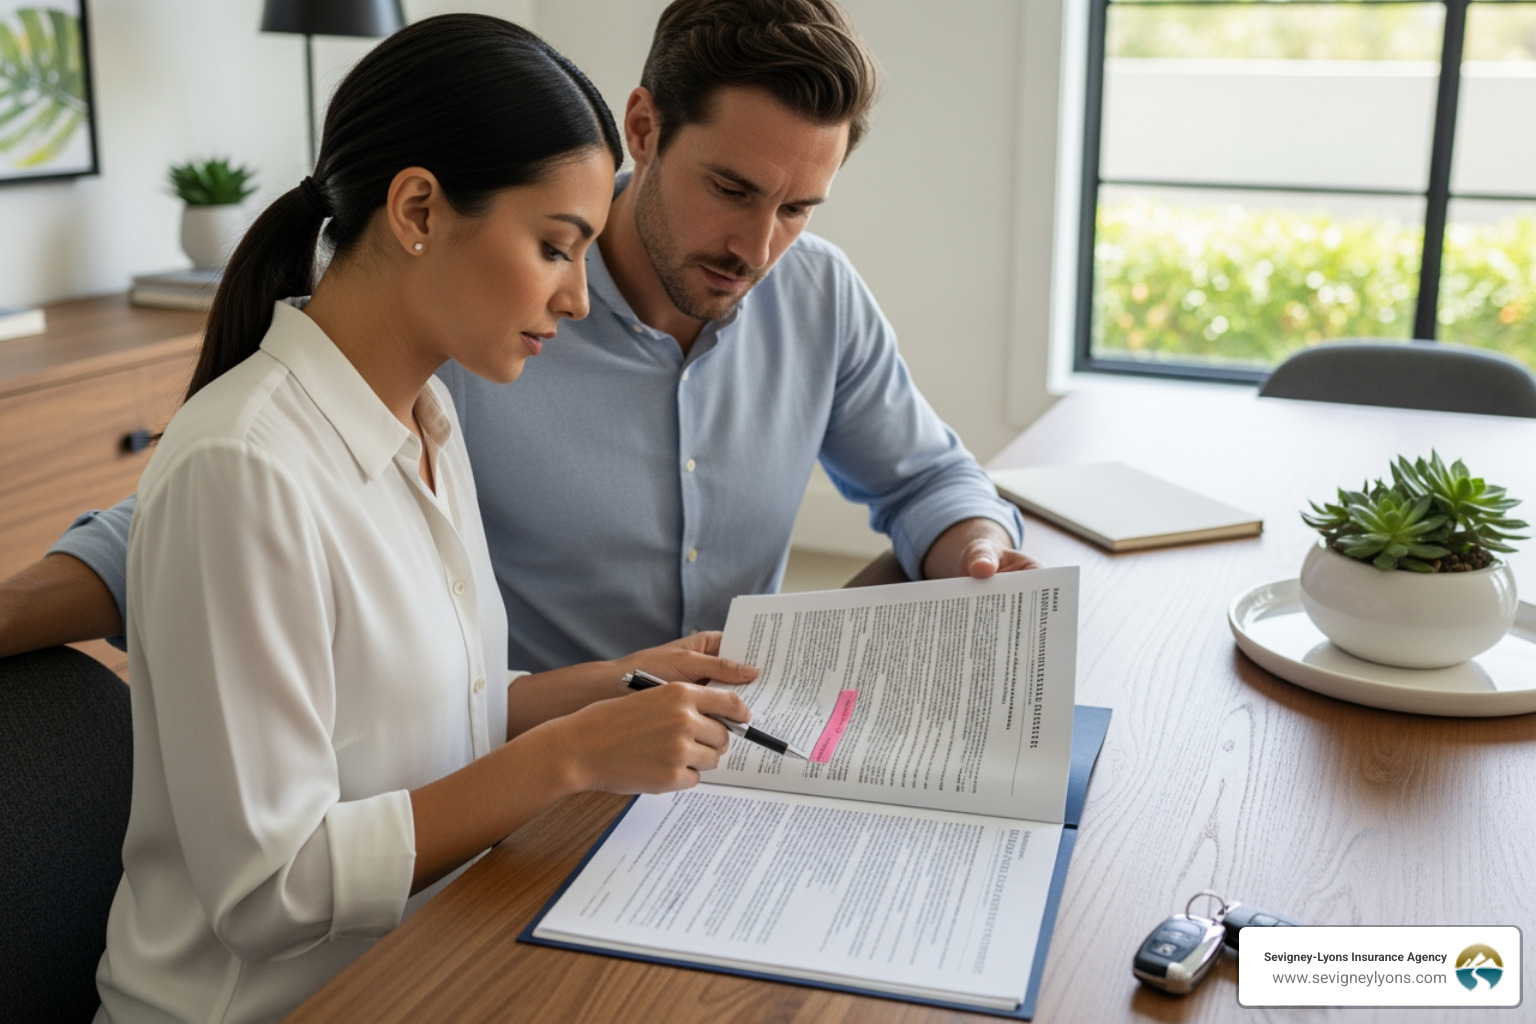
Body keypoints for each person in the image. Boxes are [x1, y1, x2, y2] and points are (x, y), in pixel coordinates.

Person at [0, 0, 1034, 672]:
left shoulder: (818, 296)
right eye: (732, 190)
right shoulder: (474, 302)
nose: (759, 246)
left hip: (708, 775)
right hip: (512, 793)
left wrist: (981, 553)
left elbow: (927, 481)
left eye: (801, 207)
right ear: (643, 127)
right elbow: (205, 513)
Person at [92, 17, 756, 1024]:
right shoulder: (242, 467)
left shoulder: (429, 420)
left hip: (430, 964)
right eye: (553, 247)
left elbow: (434, 712)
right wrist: (570, 756)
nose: (578, 299)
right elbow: (270, 891)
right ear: (416, 208)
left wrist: (625, 685)